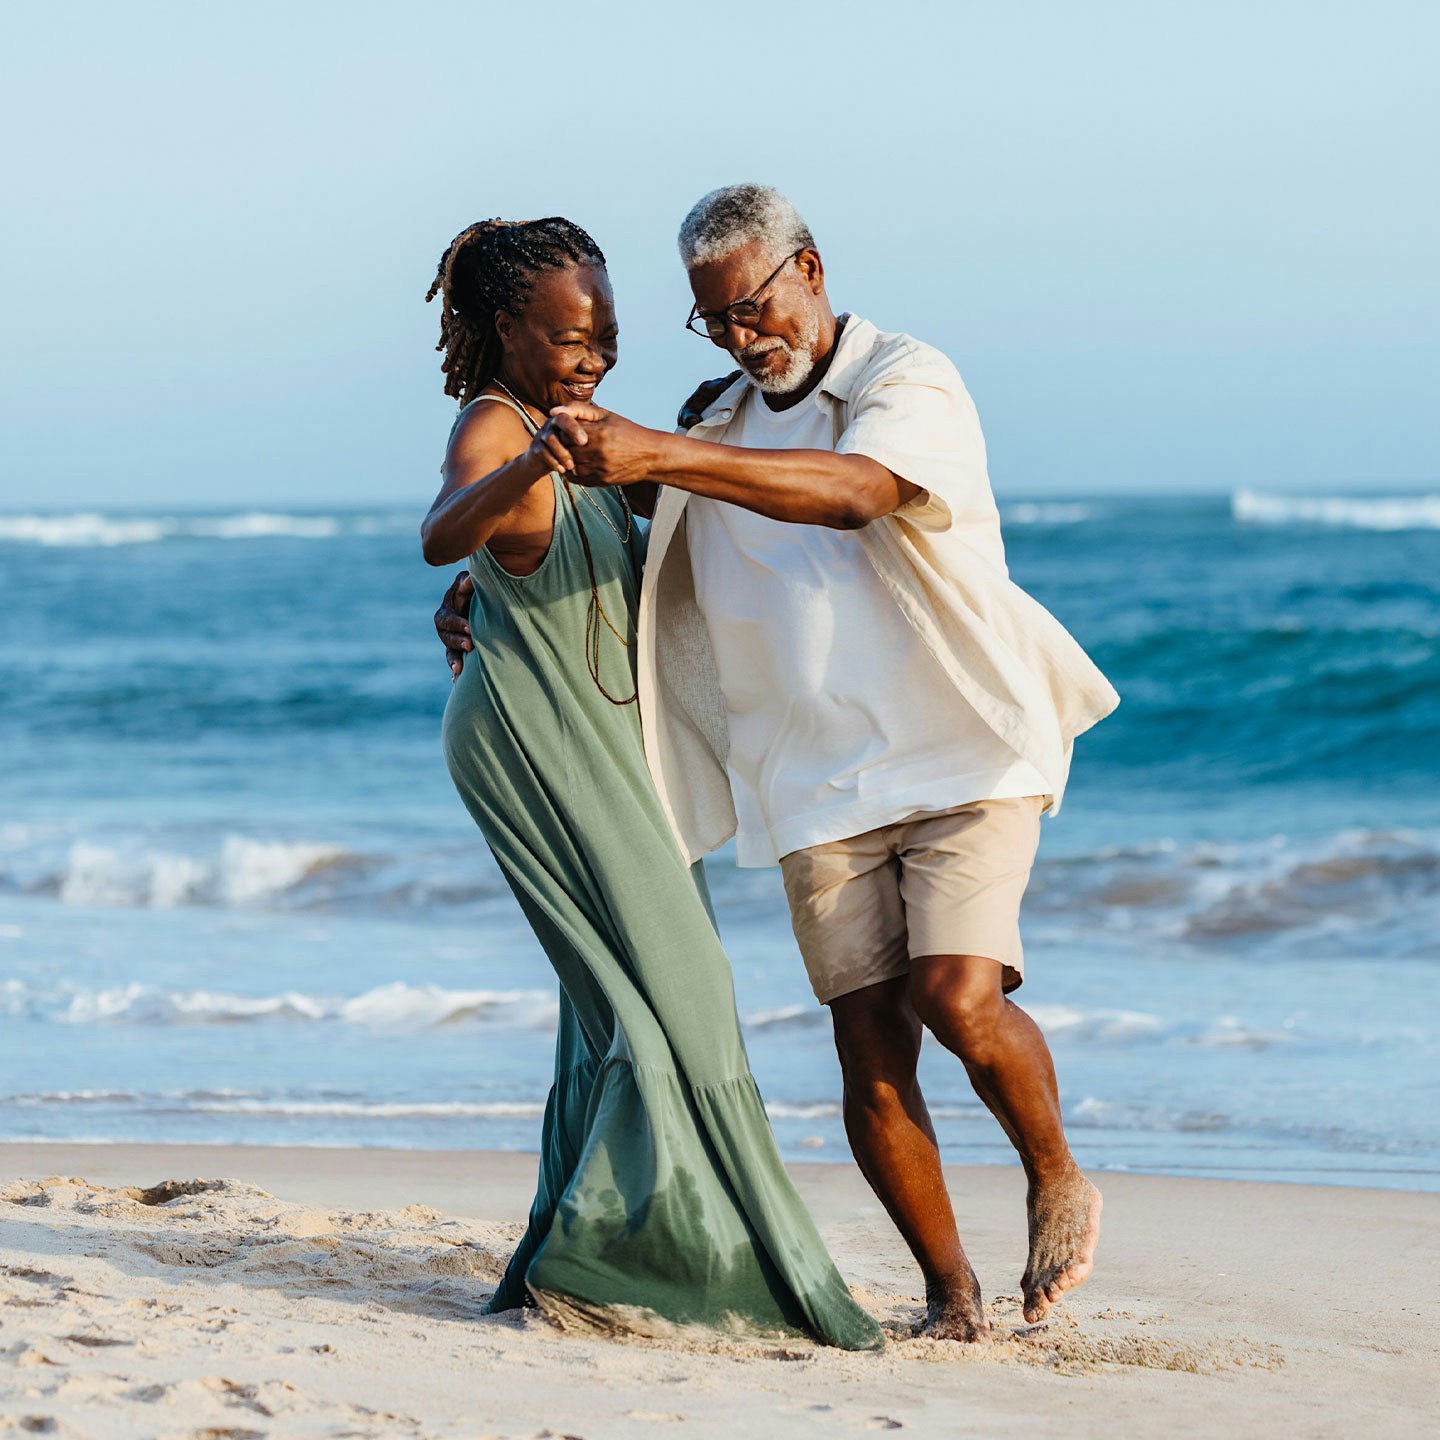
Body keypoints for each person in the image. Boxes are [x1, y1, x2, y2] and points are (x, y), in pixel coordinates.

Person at [437, 186, 1119, 1342]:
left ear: (809, 267)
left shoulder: (906, 380)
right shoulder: (719, 417)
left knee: (957, 996)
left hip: (960, 750)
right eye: (716, 322)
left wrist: (662, 452)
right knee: (868, 1044)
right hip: (815, 779)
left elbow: (858, 494)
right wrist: (489, 588)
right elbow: (598, 526)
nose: (746, 339)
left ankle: (1055, 1170)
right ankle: (951, 1299)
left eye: (753, 308)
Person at [420, 215, 881, 1351]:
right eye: (570, 337)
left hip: (618, 746)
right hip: (536, 739)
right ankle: (689, 1261)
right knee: (677, 1001)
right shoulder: (496, 424)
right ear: (503, 329)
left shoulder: (582, 429)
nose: (593, 357)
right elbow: (441, 532)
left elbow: (651, 532)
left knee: (629, 1004)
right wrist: (526, 475)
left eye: (609, 335)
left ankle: (583, 1256)